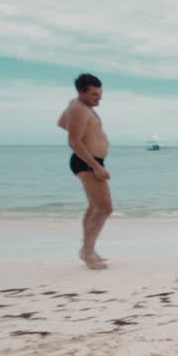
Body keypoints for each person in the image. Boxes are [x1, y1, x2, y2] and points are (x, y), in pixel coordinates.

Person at [58, 73, 110, 270]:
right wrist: (96, 166)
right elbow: (73, 141)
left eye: (100, 94)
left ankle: (89, 250)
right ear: (82, 92)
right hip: (88, 162)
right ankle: (87, 252)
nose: (99, 98)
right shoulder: (79, 109)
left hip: (91, 161)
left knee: (94, 207)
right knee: (105, 208)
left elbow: (62, 122)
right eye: (94, 95)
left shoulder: (79, 106)